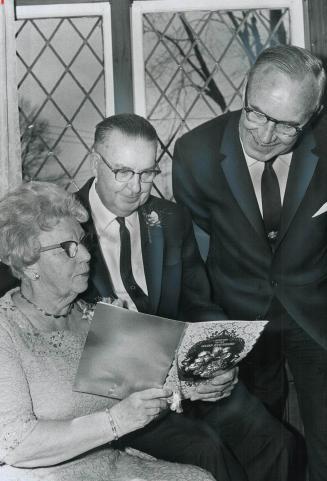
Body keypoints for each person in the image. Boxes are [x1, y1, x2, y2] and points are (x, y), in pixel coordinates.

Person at [77, 113, 295, 481]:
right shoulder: (65, 223)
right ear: (95, 160)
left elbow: (199, 304)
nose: (137, 187)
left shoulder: (171, 219)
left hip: (190, 378)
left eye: (148, 173)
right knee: (205, 450)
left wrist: (218, 359)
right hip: (115, 396)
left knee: (274, 440)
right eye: (124, 172)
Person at [172, 45, 327, 481]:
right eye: (255, 114)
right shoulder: (196, 152)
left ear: (313, 115)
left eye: (286, 126)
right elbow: (192, 262)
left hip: (316, 314)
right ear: (244, 93)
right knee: (260, 450)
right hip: (239, 316)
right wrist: (212, 337)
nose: (264, 135)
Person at [0, 181, 214, 481]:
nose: (86, 256)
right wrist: (116, 421)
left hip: (107, 463)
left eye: (82, 242)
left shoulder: (94, 317)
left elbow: (141, 402)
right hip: (39, 475)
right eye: (67, 249)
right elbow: (14, 444)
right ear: (28, 261)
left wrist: (185, 386)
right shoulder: (5, 330)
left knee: (199, 478)